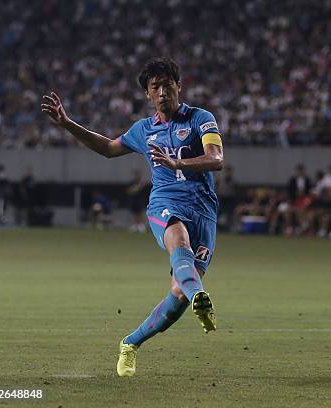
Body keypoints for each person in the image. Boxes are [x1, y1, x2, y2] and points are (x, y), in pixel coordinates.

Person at [41, 56, 223, 377]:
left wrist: (178, 163)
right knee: (177, 238)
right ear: (148, 95)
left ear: (179, 87)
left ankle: (131, 342)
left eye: (168, 85)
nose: (163, 92)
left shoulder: (200, 119)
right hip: (165, 204)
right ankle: (201, 296)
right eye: (156, 87)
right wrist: (68, 124)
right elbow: (109, 148)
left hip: (204, 212)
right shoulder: (143, 130)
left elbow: (216, 158)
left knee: (178, 293)